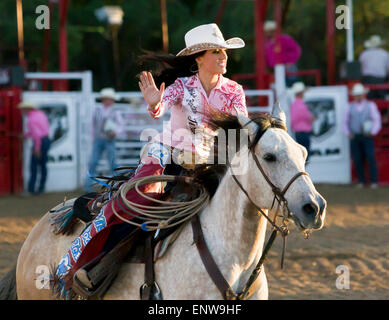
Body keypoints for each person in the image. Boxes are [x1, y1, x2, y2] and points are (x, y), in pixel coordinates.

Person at [55, 23, 248, 294]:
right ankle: (89, 263)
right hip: (167, 153)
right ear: (199, 57)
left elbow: (242, 126)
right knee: (139, 196)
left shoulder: (234, 92)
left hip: (205, 162)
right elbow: (162, 104)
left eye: (224, 51)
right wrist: (155, 102)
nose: (223, 56)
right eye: (216, 50)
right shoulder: (182, 86)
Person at [84, 88, 125, 192]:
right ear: (104, 99)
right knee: (93, 162)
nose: (108, 101)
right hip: (99, 139)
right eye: (106, 99)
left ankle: (117, 184)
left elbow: (121, 126)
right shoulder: (97, 110)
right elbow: (92, 126)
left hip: (109, 139)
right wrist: (93, 138)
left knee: (112, 163)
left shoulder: (115, 112)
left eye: (109, 99)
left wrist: (115, 132)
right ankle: (88, 186)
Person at [342, 83, 382, 188]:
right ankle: (361, 180)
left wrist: (372, 132)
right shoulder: (349, 106)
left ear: (363, 95)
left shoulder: (370, 105)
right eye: (356, 94)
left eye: (360, 94)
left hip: (367, 136)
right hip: (355, 136)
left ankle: (374, 181)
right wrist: (348, 133)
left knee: (370, 157)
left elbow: (376, 120)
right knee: (357, 159)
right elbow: (344, 122)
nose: (358, 96)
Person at [18, 101, 51, 195]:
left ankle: (31, 189)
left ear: (27, 109)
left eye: (23, 109)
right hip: (46, 140)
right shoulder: (40, 114)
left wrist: (37, 149)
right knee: (43, 166)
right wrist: (26, 135)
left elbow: (36, 135)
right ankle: (41, 188)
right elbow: (40, 131)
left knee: (34, 167)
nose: (22, 111)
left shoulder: (31, 119)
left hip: (39, 142)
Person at [264, 20, 301, 87]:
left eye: (267, 31)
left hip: (287, 67)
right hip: (274, 69)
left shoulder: (284, 39)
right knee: (278, 87)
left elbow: (296, 50)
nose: (266, 33)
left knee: (292, 84)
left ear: (272, 31)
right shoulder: (267, 42)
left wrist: (290, 62)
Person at [289, 82, 314, 159]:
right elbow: (309, 118)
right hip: (303, 133)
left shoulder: (294, 105)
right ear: (300, 93)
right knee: (305, 156)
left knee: (301, 156)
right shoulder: (301, 105)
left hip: (298, 133)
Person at [359, 35, 389, 99]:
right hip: (381, 81)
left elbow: (360, 68)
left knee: (369, 99)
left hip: (368, 80)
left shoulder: (364, 54)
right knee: (382, 100)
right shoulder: (385, 54)